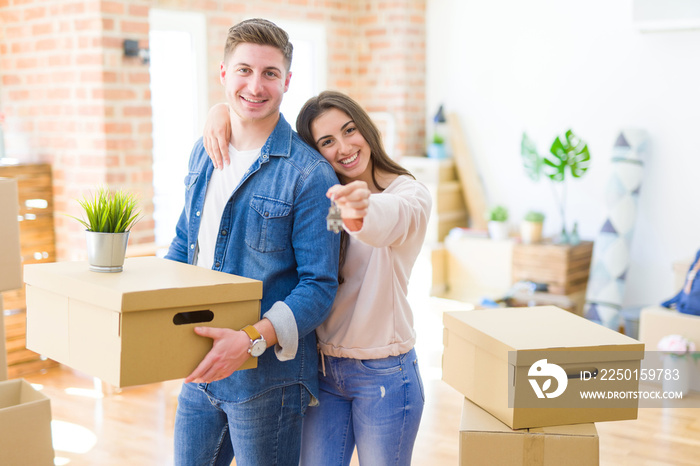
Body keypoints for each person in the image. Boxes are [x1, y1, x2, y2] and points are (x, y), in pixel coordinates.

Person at [205, 90, 431, 466]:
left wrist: (360, 211)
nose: (344, 147)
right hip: (323, 372)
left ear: (367, 129)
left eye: (350, 130)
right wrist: (220, 112)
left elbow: (384, 222)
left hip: (385, 375)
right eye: (327, 141)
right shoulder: (327, 200)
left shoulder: (409, 194)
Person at [165, 19, 340, 466]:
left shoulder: (308, 173)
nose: (255, 85)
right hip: (198, 367)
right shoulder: (202, 152)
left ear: (287, 81)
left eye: (269, 73)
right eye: (244, 70)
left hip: (267, 380)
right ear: (223, 74)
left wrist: (249, 340)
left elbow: (319, 285)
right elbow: (185, 244)